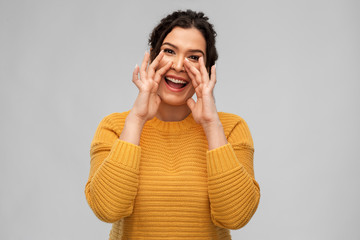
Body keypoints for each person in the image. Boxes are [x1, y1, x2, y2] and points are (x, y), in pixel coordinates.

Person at [85, 9, 260, 240]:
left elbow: (235, 217)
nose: (178, 65)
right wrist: (136, 121)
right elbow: (107, 209)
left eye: (194, 57)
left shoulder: (230, 127)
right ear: (153, 58)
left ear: (207, 70)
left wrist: (211, 125)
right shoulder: (115, 126)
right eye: (169, 51)